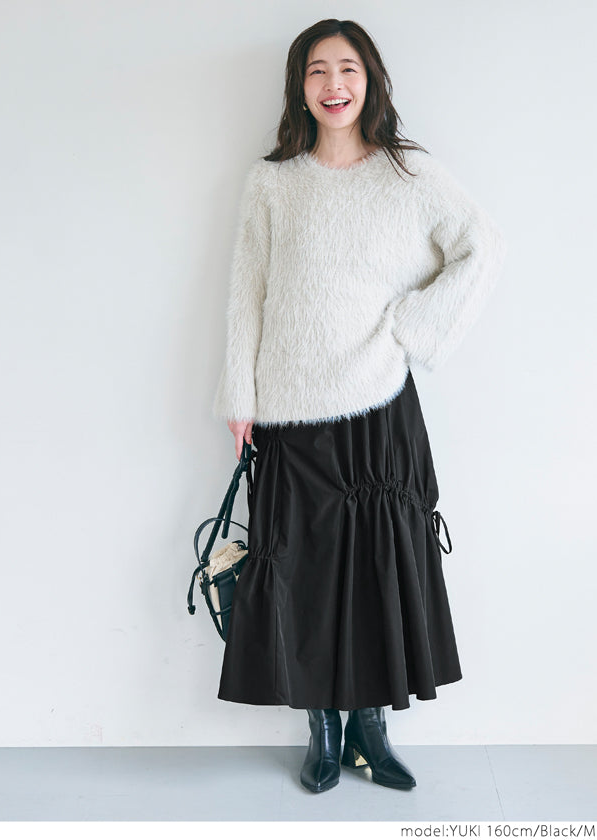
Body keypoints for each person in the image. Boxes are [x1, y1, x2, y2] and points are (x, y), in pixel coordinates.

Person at [211, 18, 506, 794]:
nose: (332, 84)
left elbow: (482, 246)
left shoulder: (409, 173)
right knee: (302, 572)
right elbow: (246, 291)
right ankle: (322, 732)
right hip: (288, 410)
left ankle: (371, 733)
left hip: (378, 405)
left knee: (380, 569)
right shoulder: (273, 181)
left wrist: (413, 326)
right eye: (317, 70)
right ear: (299, 87)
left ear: (369, 79)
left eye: (346, 68)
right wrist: (239, 395)